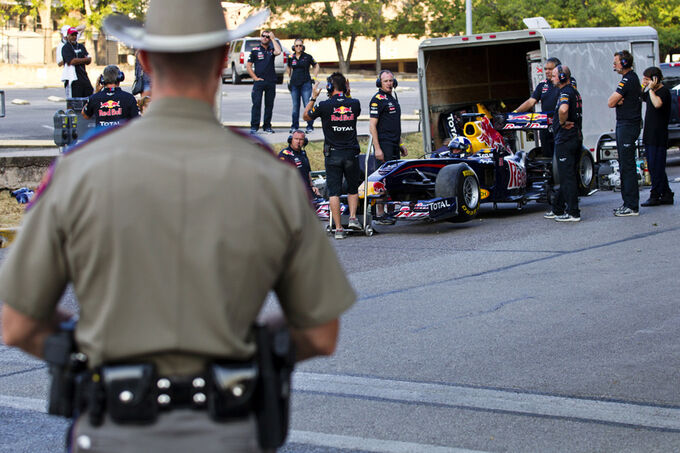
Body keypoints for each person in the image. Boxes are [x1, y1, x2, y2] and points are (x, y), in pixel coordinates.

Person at [0, 2, 355, 452]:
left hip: (112, 431)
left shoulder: (77, 169)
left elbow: (18, 325)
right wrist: (242, 350)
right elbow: (320, 331)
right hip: (228, 433)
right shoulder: (272, 175)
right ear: (224, 59)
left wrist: (94, 349)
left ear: (145, 61)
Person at [303, 72, 362, 239]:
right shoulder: (355, 103)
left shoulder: (324, 105)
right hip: (351, 153)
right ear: (346, 86)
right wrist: (347, 90)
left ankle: (338, 229)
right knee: (352, 188)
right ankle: (352, 218)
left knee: (334, 192)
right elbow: (350, 105)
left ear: (329, 87)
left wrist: (313, 97)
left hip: (333, 154)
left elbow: (306, 116)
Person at [544, 65, 583, 222]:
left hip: (566, 139)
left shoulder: (565, 92)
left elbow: (563, 110)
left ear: (561, 77)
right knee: (569, 175)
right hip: (575, 138)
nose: (551, 78)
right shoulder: (574, 91)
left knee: (567, 177)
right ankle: (558, 208)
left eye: (553, 75)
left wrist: (561, 122)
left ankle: (573, 212)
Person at [369, 69, 408, 224]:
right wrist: (377, 148)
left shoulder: (392, 98)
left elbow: (394, 125)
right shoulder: (377, 99)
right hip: (383, 145)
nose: (389, 84)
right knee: (382, 179)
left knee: (393, 178)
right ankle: (380, 214)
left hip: (393, 144)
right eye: (386, 81)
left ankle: (390, 211)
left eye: (391, 81)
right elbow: (372, 126)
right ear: (380, 83)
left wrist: (401, 144)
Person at [608, 50, 642, 216]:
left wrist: (619, 100)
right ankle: (627, 203)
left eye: (616, 62)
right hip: (625, 124)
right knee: (624, 165)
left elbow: (611, 101)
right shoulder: (628, 79)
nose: (614, 65)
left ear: (625, 63)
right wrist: (618, 100)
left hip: (628, 125)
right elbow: (615, 101)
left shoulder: (629, 80)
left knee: (627, 166)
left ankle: (632, 205)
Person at [514, 57, 563, 159]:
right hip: (545, 126)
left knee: (560, 155)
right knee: (547, 154)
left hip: (560, 125)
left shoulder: (564, 84)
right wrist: (515, 112)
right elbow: (531, 102)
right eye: (545, 69)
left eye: (550, 69)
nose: (547, 71)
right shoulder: (542, 85)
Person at [640, 66, 674, 206]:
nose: (645, 82)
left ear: (655, 79)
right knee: (655, 165)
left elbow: (657, 104)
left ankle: (655, 195)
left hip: (658, 135)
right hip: (649, 134)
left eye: (647, 79)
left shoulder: (663, 92)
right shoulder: (650, 92)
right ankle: (666, 194)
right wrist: (643, 86)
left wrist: (652, 89)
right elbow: (640, 95)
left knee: (656, 167)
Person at [247, 29, 281, 134]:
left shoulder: (271, 50)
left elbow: (279, 51)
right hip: (259, 82)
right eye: (263, 36)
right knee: (256, 104)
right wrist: (255, 78)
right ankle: (254, 126)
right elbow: (248, 66)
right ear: (260, 37)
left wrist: (273, 38)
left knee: (269, 105)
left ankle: (267, 126)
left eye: (267, 36)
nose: (265, 38)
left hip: (271, 81)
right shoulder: (255, 50)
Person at [287, 38, 319, 134]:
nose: (298, 47)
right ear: (294, 47)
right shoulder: (291, 57)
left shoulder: (308, 57)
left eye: (300, 45)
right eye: (296, 45)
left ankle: (310, 126)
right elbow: (288, 67)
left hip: (306, 83)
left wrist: (315, 76)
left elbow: (316, 65)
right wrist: (288, 77)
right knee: (295, 106)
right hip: (294, 84)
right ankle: (294, 126)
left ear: (303, 46)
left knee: (307, 105)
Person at [278, 129, 321, 197]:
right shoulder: (284, 154)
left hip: (306, 189)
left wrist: (312, 186)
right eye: (296, 139)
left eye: (301, 139)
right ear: (290, 140)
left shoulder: (303, 153)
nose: (298, 142)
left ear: (304, 141)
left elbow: (307, 172)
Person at [61, 26, 94, 98]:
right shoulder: (66, 47)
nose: (74, 37)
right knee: (75, 101)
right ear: (68, 36)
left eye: (75, 35)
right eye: (72, 35)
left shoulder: (81, 46)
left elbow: (89, 60)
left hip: (83, 76)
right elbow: (72, 61)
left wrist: (79, 60)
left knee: (90, 95)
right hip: (73, 78)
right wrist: (83, 60)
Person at [57, 24, 85, 98]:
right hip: (70, 75)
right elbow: (59, 63)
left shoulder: (74, 42)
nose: (74, 37)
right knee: (72, 99)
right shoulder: (61, 46)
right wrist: (68, 57)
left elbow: (83, 27)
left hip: (80, 75)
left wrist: (73, 30)